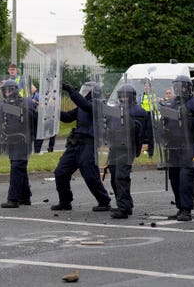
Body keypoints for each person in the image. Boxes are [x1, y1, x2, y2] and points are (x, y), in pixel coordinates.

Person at [51, 81, 112, 212]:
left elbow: (85, 105)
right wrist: (53, 111)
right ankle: (65, 201)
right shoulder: (81, 106)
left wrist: (71, 91)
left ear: (93, 92)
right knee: (60, 172)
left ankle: (104, 201)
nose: (83, 92)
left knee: (90, 175)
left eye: (86, 90)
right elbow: (67, 117)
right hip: (75, 143)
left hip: (90, 144)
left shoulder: (99, 104)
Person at [158, 75, 194, 221]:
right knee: (174, 178)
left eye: (182, 87)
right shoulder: (171, 103)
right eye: (176, 87)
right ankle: (180, 207)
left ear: (188, 88)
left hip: (189, 146)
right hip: (173, 146)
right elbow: (163, 124)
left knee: (186, 178)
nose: (179, 89)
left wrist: (189, 117)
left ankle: (187, 209)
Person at [102, 84, 147, 218]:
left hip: (127, 148)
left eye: (126, 96)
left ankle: (123, 208)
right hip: (114, 147)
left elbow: (140, 132)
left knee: (121, 177)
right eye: (121, 96)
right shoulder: (115, 110)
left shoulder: (138, 111)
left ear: (132, 97)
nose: (124, 99)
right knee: (115, 178)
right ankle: (126, 205)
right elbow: (108, 126)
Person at [0, 80, 36, 208]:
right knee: (19, 167)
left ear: (15, 89)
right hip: (11, 139)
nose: (7, 92)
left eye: (9, 90)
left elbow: (31, 118)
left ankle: (13, 199)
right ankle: (25, 196)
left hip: (22, 139)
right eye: (5, 90)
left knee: (17, 167)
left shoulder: (25, 102)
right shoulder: (4, 104)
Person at [31, 85, 56, 153]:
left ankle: (50, 148)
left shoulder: (52, 97)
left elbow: (50, 104)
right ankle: (37, 150)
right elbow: (42, 105)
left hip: (50, 116)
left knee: (52, 133)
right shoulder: (42, 96)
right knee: (41, 133)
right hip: (43, 116)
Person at [138, 78, 156, 159]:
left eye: (147, 86)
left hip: (150, 115)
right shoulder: (140, 96)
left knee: (150, 135)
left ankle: (151, 153)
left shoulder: (153, 95)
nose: (146, 88)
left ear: (150, 87)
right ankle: (138, 152)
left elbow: (156, 107)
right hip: (142, 116)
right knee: (140, 135)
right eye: (145, 86)